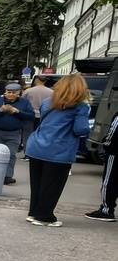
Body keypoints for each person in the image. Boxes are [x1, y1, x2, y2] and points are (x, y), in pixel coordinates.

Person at [24, 73, 91, 226]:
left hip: (37, 145)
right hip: (59, 150)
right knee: (53, 185)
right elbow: (80, 129)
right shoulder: (80, 107)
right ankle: (44, 216)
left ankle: (34, 212)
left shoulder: (48, 102)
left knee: (38, 184)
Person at [0, 82, 33, 183]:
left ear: (19, 93)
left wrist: (17, 112)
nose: (11, 94)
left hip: (14, 133)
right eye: (9, 92)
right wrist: (0, 110)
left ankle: (7, 176)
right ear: (5, 92)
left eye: (14, 92)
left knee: (11, 154)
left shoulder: (25, 103)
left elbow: (30, 116)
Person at [87, 113, 118, 222]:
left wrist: (106, 145)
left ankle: (106, 210)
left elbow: (113, 133)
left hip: (115, 153)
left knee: (109, 182)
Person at [22, 75, 53, 153]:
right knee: (41, 135)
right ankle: (38, 152)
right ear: (45, 81)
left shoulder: (28, 91)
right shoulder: (51, 92)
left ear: (36, 80)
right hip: (44, 116)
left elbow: (22, 102)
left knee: (27, 135)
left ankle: (27, 152)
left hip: (30, 116)